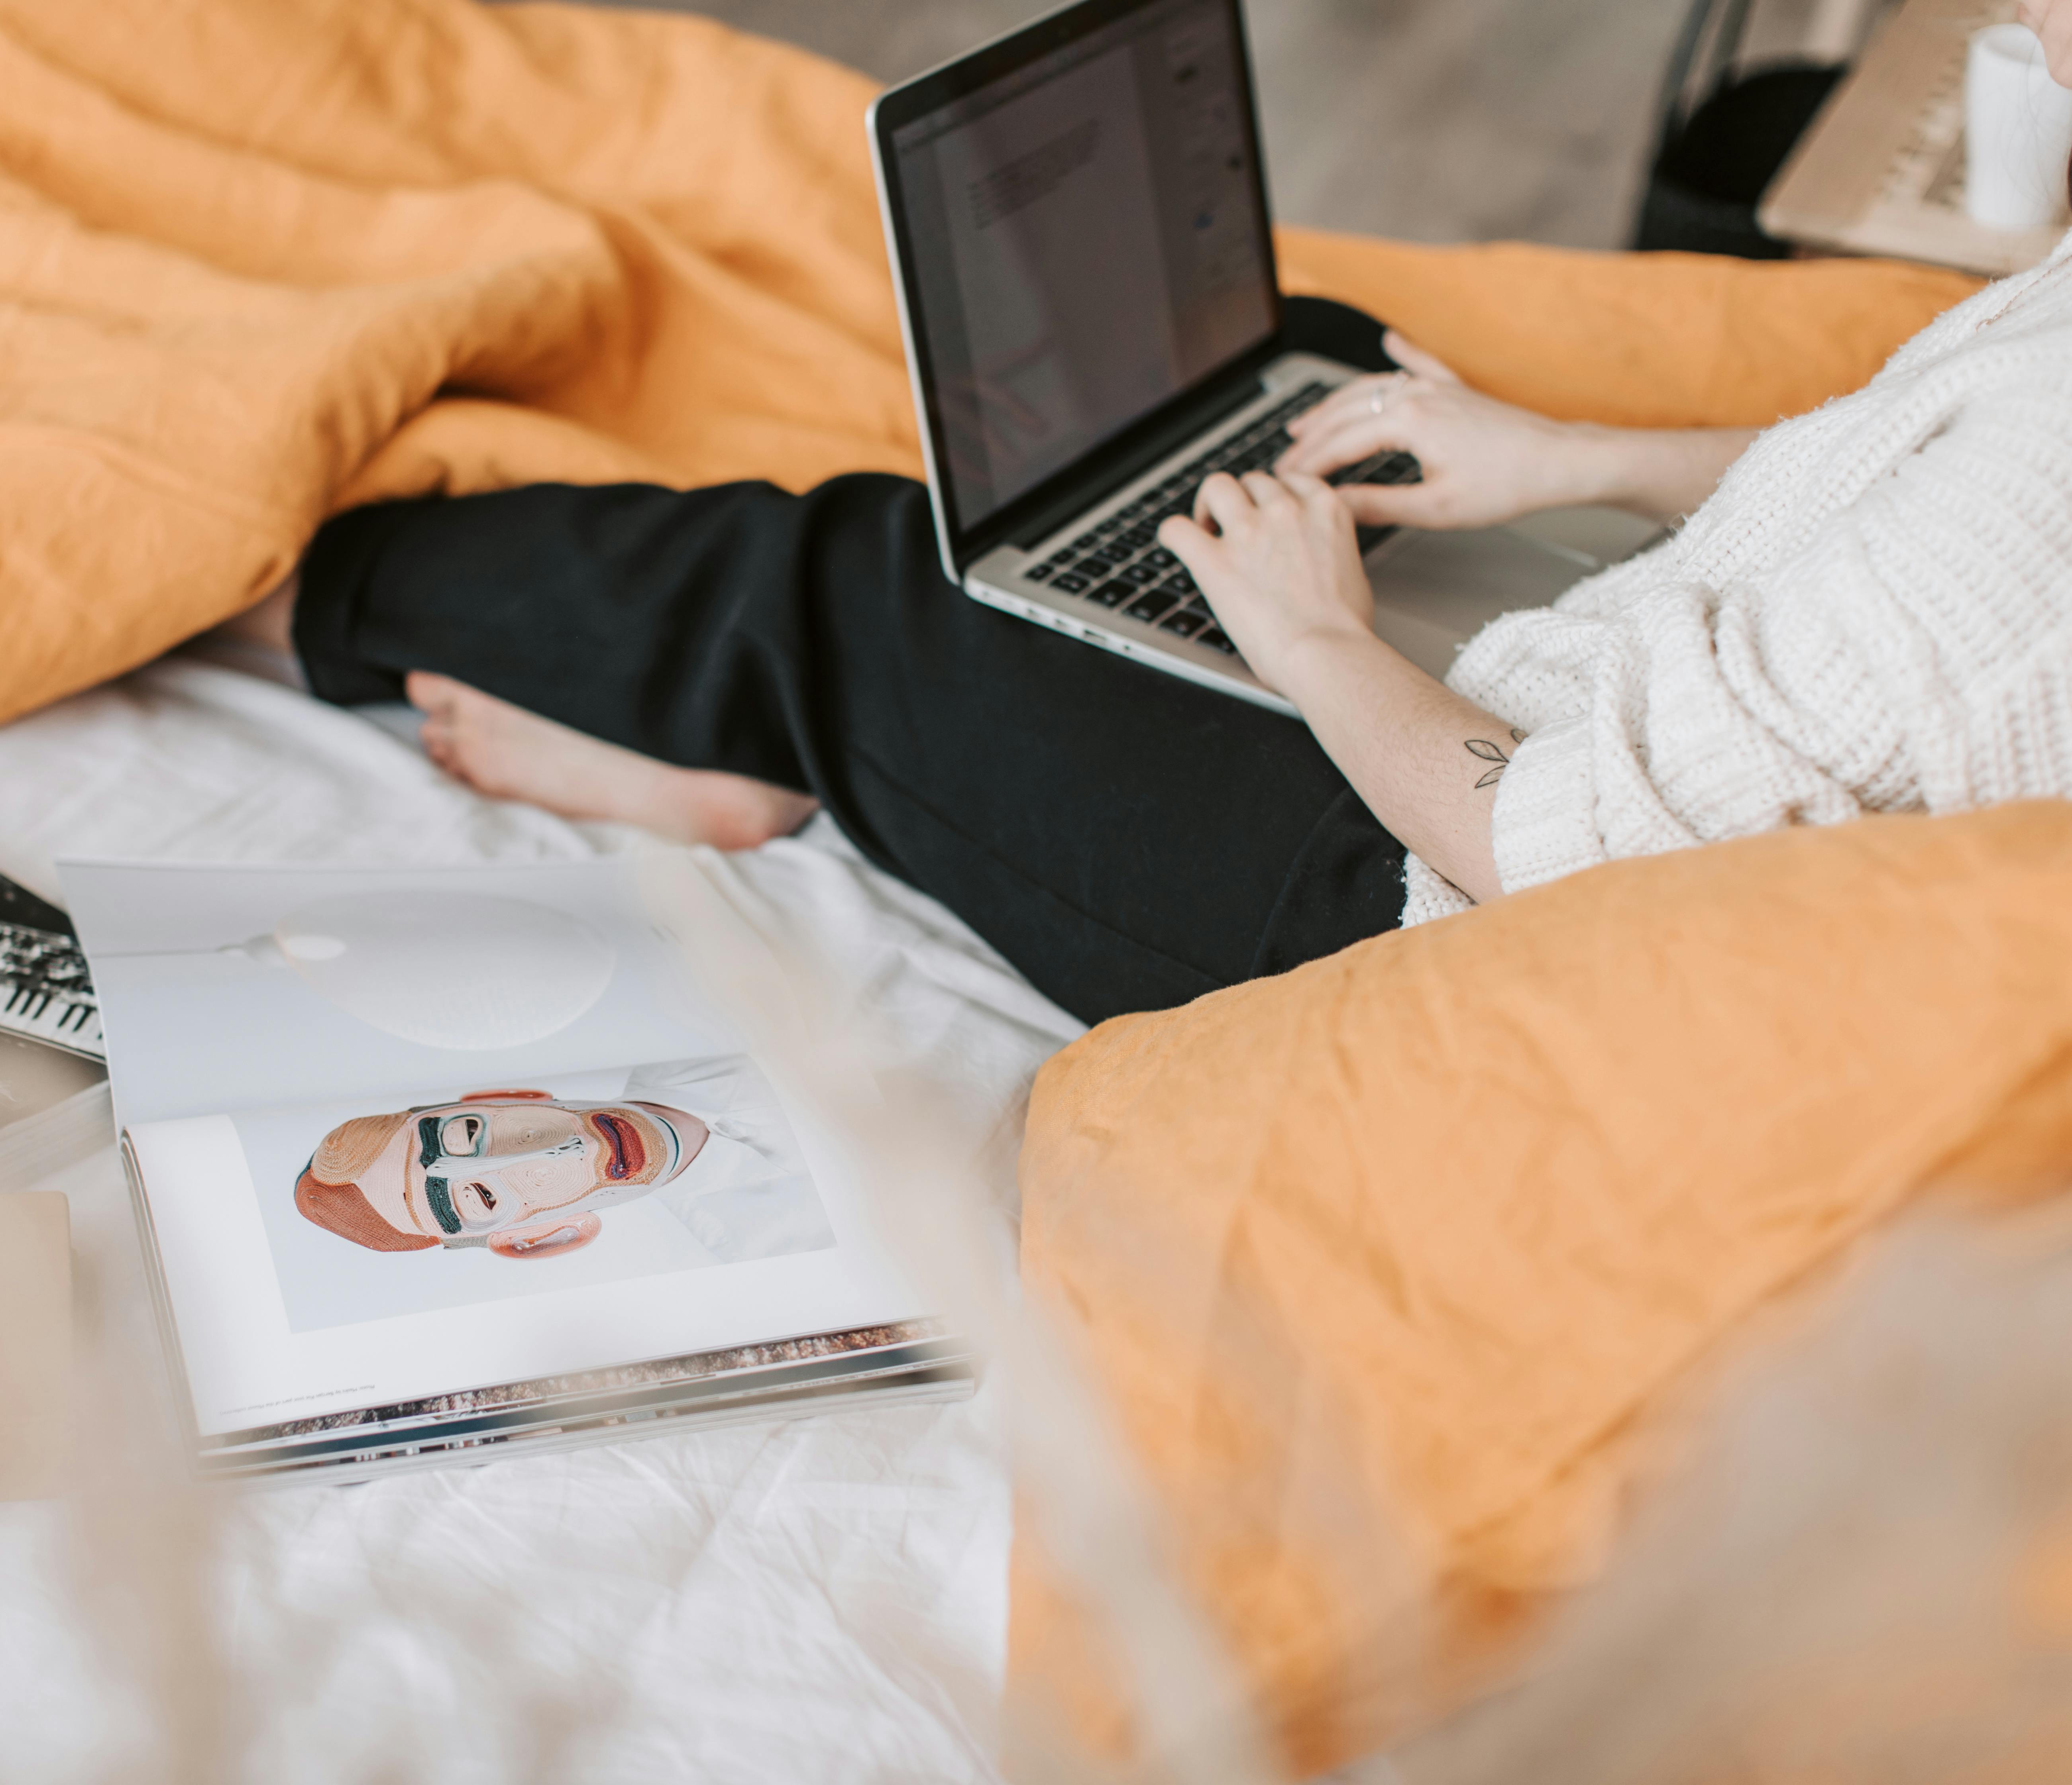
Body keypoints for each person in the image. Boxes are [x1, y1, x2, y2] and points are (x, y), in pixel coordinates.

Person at [251, 22, 2072, 1028]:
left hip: (1405, 919)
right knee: (1326, 380)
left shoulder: (2025, 561)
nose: (2002, 20)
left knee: (862, 570)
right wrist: (1569, 454)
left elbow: (1565, 859)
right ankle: (848, 755)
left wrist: (1313, 641)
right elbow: (1909, 457)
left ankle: (295, 591)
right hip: (1632, 686)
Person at [293, 1055, 827, 1262]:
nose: (560, 1152)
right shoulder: (777, 1252)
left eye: (468, 1134)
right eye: (483, 1196)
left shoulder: (720, 1019)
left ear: (502, 1096)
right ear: (545, 1238)